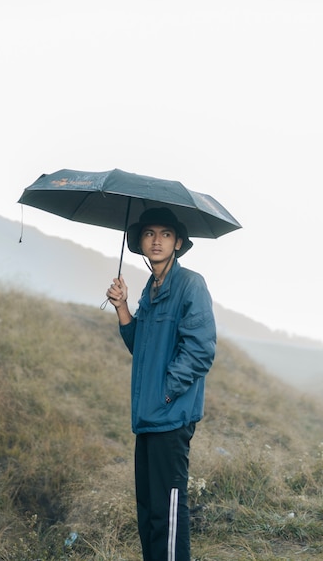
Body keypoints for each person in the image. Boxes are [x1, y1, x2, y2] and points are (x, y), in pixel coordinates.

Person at [106, 207, 216, 561]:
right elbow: (142, 348)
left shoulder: (190, 285)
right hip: (147, 418)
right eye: (150, 233)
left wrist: (164, 393)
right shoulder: (150, 289)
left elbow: (200, 352)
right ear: (139, 241)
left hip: (170, 416)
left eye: (165, 234)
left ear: (178, 243)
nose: (156, 240)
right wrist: (123, 307)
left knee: (168, 513)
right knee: (149, 510)